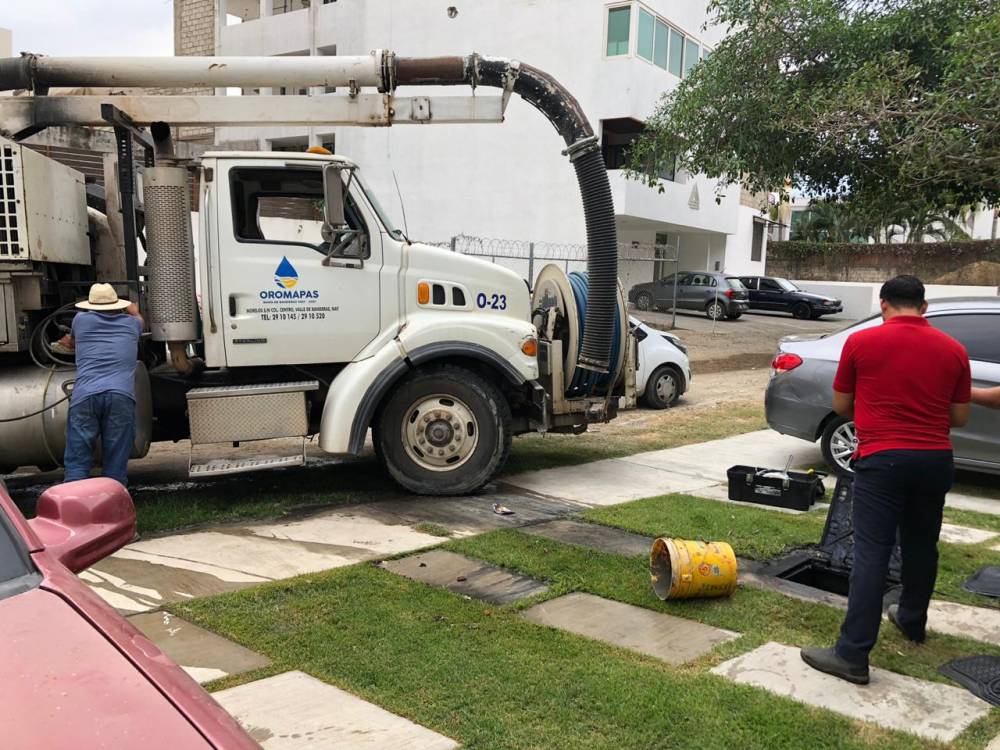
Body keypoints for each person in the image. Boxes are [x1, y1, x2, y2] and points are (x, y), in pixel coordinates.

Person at [801, 275, 971, 685]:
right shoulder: (954, 350)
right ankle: (912, 620)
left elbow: (842, 405)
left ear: (884, 304)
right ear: (924, 307)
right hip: (934, 461)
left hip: (882, 460)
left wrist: (878, 411)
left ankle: (852, 654)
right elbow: (959, 417)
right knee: (920, 544)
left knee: (872, 552)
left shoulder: (862, 343)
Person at [56, 283, 143, 487]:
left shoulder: (80, 320)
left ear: (91, 305)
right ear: (117, 305)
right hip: (120, 396)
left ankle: (74, 509)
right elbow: (139, 319)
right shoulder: (131, 324)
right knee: (115, 463)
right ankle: (112, 508)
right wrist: (134, 310)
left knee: (78, 459)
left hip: (85, 396)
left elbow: (73, 342)